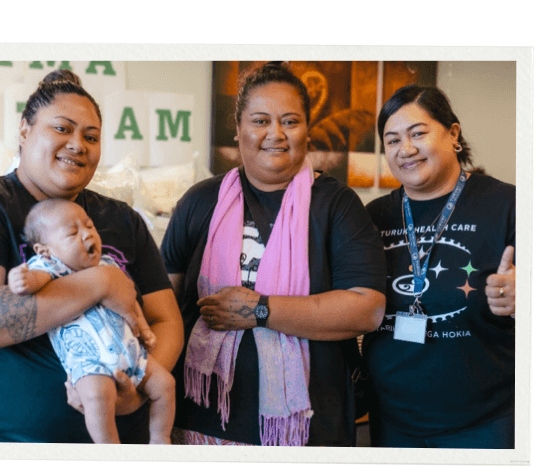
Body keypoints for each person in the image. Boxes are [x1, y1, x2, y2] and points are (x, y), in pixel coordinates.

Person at [161, 62, 387, 446]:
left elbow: (367, 308)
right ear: (239, 129)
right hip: (199, 422)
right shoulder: (200, 201)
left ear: (307, 132)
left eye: (290, 121)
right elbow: (161, 301)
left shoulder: (337, 206)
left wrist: (260, 310)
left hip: (305, 428)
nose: (275, 134)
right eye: (261, 120)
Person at [0, 69, 183, 443]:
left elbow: (166, 321)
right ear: (25, 131)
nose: (78, 144)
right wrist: (99, 281)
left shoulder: (123, 220)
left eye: (90, 137)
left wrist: (137, 386)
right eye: (62, 129)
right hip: (1, 441)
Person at [363, 85, 516, 449]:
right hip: (392, 420)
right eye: (393, 139)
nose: (407, 149)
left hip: (485, 421)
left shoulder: (507, 204)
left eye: (418, 133)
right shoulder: (372, 217)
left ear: (453, 133)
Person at [7, 198, 176, 444]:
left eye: (89, 226)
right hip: (89, 362)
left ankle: (161, 439)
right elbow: (33, 281)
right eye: (73, 232)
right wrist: (20, 280)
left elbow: (130, 300)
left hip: (132, 353)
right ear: (45, 250)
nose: (87, 235)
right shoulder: (51, 268)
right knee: (98, 398)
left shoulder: (108, 264)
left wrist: (144, 328)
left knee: (166, 386)